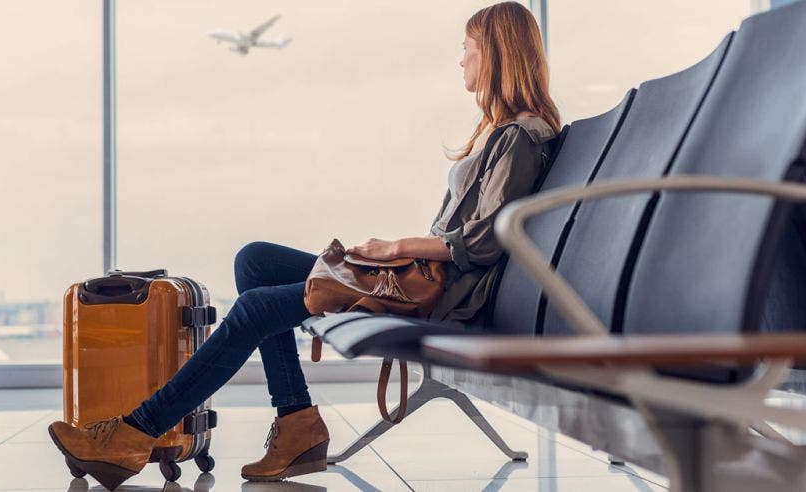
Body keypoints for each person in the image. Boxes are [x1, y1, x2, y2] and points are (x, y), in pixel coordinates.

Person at [47, 1, 560, 486]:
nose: (461, 59)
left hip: (443, 298)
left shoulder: (519, 137)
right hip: (423, 281)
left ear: (495, 54)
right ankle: (297, 422)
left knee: (254, 309)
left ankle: (133, 435)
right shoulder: (503, 133)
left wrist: (391, 249)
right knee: (256, 260)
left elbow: (483, 244)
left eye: (468, 47)